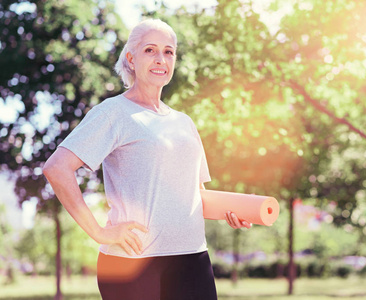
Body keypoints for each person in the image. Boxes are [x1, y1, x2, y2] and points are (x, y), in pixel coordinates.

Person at [43, 18, 251, 300]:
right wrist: (99, 233)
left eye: (168, 51)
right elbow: (57, 168)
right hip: (133, 263)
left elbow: (194, 196)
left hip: (192, 258)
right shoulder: (114, 112)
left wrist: (235, 210)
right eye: (150, 50)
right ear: (131, 57)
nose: (160, 59)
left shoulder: (184, 122)